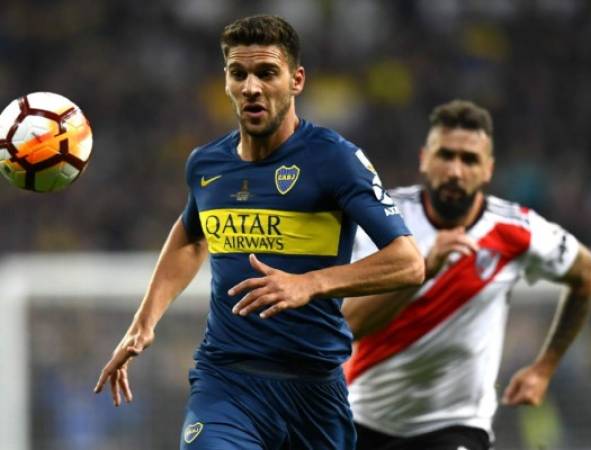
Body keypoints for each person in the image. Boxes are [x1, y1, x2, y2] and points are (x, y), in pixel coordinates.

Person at [94, 15, 424, 450]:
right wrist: (143, 323)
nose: (251, 87)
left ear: (296, 80)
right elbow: (191, 235)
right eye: (239, 73)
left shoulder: (334, 159)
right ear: (227, 81)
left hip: (314, 390)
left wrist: (309, 284)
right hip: (226, 382)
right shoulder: (207, 165)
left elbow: (408, 262)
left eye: (267, 73)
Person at [342, 99, 591, 450]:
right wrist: (423, 268)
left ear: (488, 169)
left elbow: (587, 274)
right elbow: (350, 326)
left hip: (456, 425)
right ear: (424, 159)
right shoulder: (381, 221)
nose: (455, 171)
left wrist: (544, 367)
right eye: (446, 155)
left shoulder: (516, 229)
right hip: (361, 417)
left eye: (469, 159)